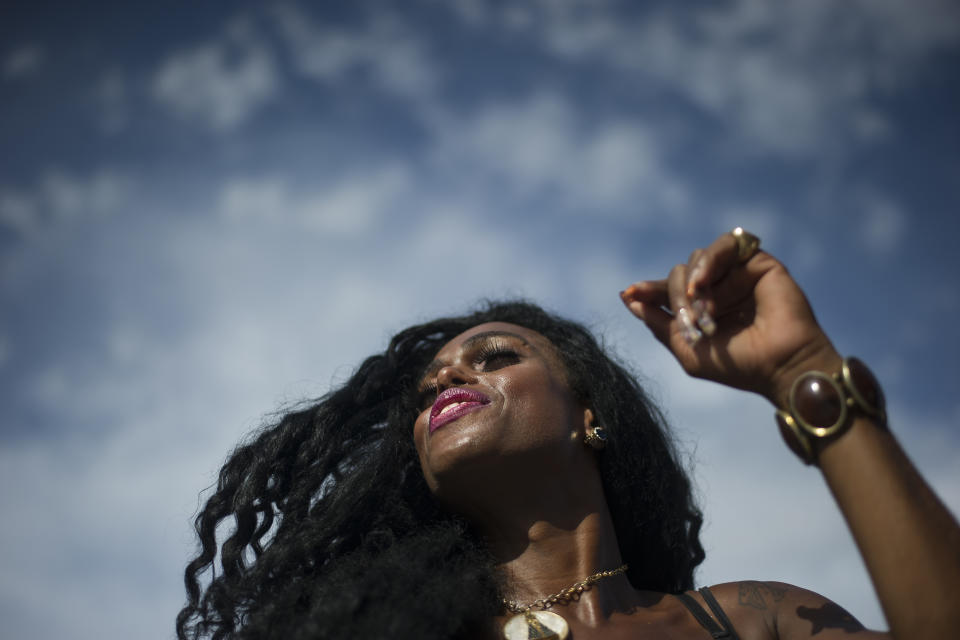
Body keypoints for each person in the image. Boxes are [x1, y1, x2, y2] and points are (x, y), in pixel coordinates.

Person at [176, 230, 960, 640]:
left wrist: (802, 372)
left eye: (495, 357)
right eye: (428, 391)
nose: (447, 381)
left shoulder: (756, 620)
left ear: (592, 415)